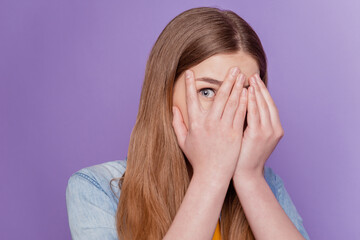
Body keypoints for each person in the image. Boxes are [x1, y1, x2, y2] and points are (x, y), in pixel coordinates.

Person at [66, 7, 310, 240]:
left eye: (243, 93)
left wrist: (250, 178)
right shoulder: (97, 188)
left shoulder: (266, 184)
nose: (228, 109)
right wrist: (210, 174)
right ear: (164, 94)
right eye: (207, 92)